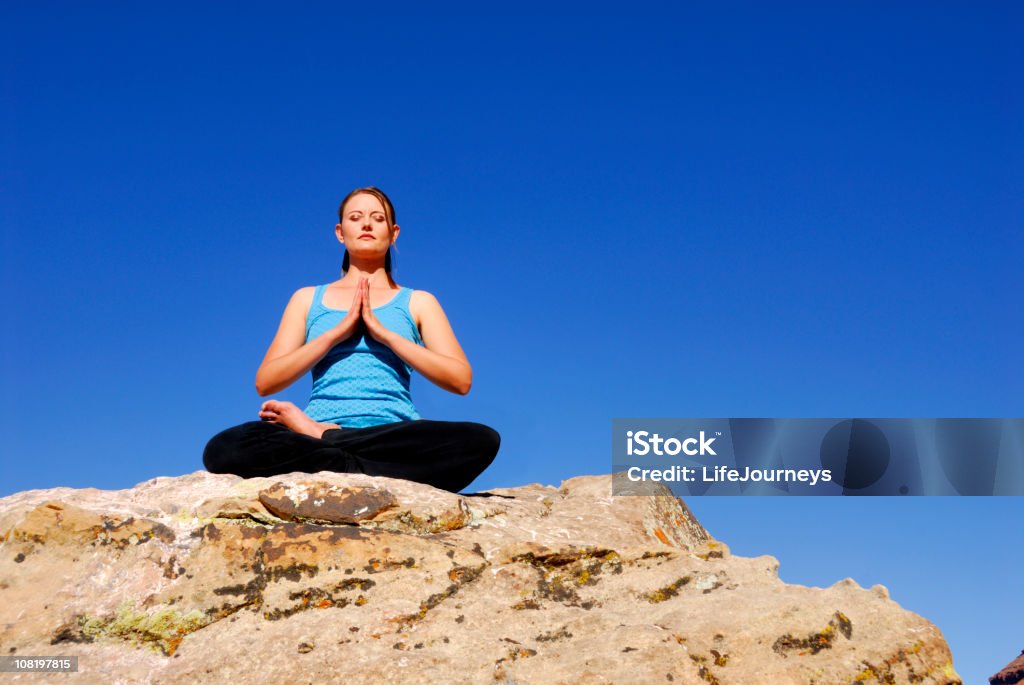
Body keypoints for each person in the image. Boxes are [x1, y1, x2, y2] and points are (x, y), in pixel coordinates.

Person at [202, 187, 500, 492]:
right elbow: (266, 381)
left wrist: (387, 336)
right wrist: (335, 334)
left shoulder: (419, 301)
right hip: (310, 428)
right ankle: (351, 456)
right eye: (355, 217)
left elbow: (460, 380)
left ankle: (335, 445)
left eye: (378, 218)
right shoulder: (307, 299)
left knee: (481, 440)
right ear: (340, 232)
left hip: (392, 434)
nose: (367, 224)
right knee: (224, 447)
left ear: (393, 233)